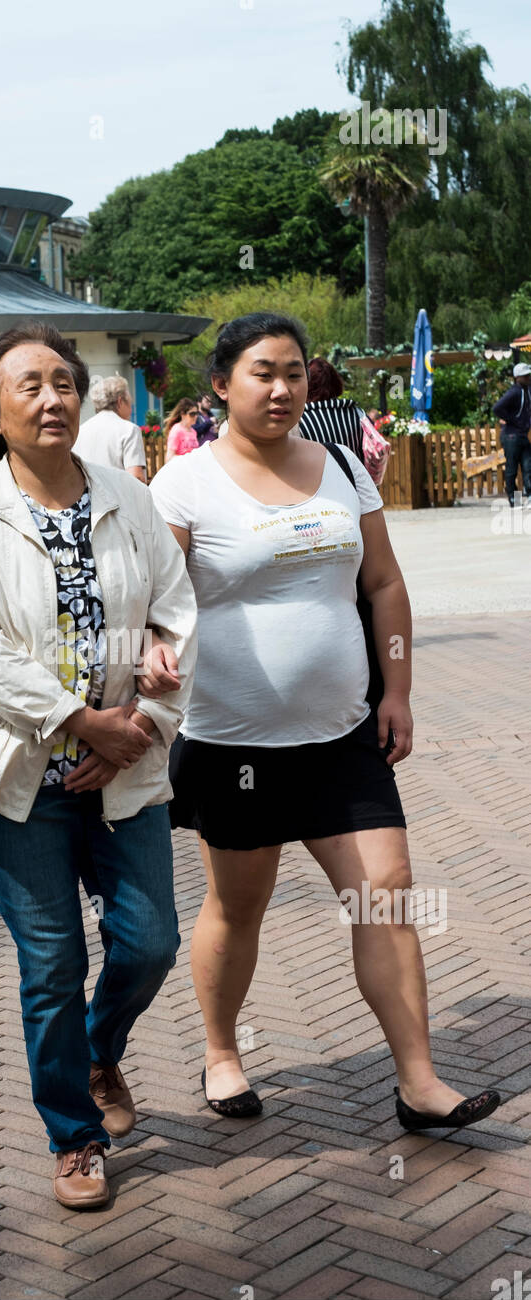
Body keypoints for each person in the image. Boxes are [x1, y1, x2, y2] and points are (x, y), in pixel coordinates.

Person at [148, 311, 501, 1134]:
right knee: (239, 907)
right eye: (263, 372)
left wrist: (399, 691)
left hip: (343, 735)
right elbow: (152, 605)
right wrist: (153, 652)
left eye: (296, 372)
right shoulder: (183, 486)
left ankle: (419, 1083)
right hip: (233, 743)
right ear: (221, 384)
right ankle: (222, 1051)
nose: (282, 388)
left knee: (385, 895)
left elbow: (383, 584)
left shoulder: (343, 464)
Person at [0, 323, 197, 1209]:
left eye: (64, 382)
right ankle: (74, 1138)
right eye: (29, 387)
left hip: (126, 764)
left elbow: (174, 610)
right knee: (49, 963)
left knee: (151, 942)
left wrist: (144, 717)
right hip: (24, 775)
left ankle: (98, 1049)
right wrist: (83, 722)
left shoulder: (130, 495)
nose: (52, 399)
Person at [74, 375, 147, 483]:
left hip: (86, 496)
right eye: (130, 403)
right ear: (120, 402)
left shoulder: (80, 431)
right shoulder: (129, 430)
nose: (131, 409)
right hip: (118, 497)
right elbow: (136, 478)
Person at [297, 356, 366, 462]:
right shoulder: (358, 414)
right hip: (354, 477)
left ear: (307, 384)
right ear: (336, 382)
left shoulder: (300, 419)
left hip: (317, 478)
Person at [494, 362, 531, 508]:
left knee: (528, 467)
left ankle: (529, 497)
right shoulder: (514, 391)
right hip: (511, 437)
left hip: (523, 436)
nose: (529, 377)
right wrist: (513, 420)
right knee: (512, 469)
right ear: (517, 377)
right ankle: (514, 499)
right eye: (526, 376)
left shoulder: (527, 390)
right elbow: (497, 408)